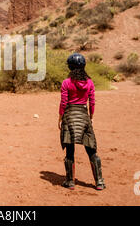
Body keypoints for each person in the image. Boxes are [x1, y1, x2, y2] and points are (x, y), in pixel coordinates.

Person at [58, 53, 105, 191]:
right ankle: (99, 182)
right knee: (91, 150)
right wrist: (91, 117)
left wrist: (60, 118)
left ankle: (70, 181)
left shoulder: (66, 82)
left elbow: (63, 102)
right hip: (84, 116)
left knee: (70, 151)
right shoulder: (89, 82)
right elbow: (92, 102)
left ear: (70, 67)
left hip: (69, 117)